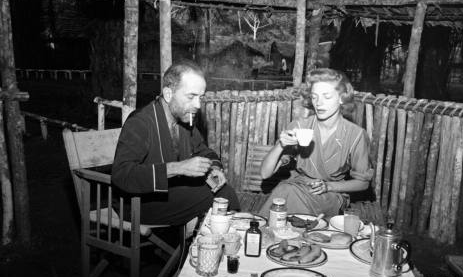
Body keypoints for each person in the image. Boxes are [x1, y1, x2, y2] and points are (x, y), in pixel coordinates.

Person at [112, 60, 240, 225]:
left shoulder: (184, 118)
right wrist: (178, 168)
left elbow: (204, 151)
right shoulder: (140, 122)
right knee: (222, 196)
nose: (198, 105)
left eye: (200, 97)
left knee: (223, 191)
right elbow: (122, 174)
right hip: (139, 203)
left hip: (171, 193)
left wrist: (215, 167)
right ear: (168, 94)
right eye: (191, 96)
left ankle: (211, 243)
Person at [258, 68, 373, 219]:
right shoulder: (300, 126)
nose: (319, 103)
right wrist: (281, 144)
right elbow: (265, 174)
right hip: (297, 187)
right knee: (285, 191)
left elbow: (363, 183)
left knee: (287, 196)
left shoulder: (356, 135)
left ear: (341, 98)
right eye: (314, 97)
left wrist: (329, 186)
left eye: (326, 96)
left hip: (331, 194)